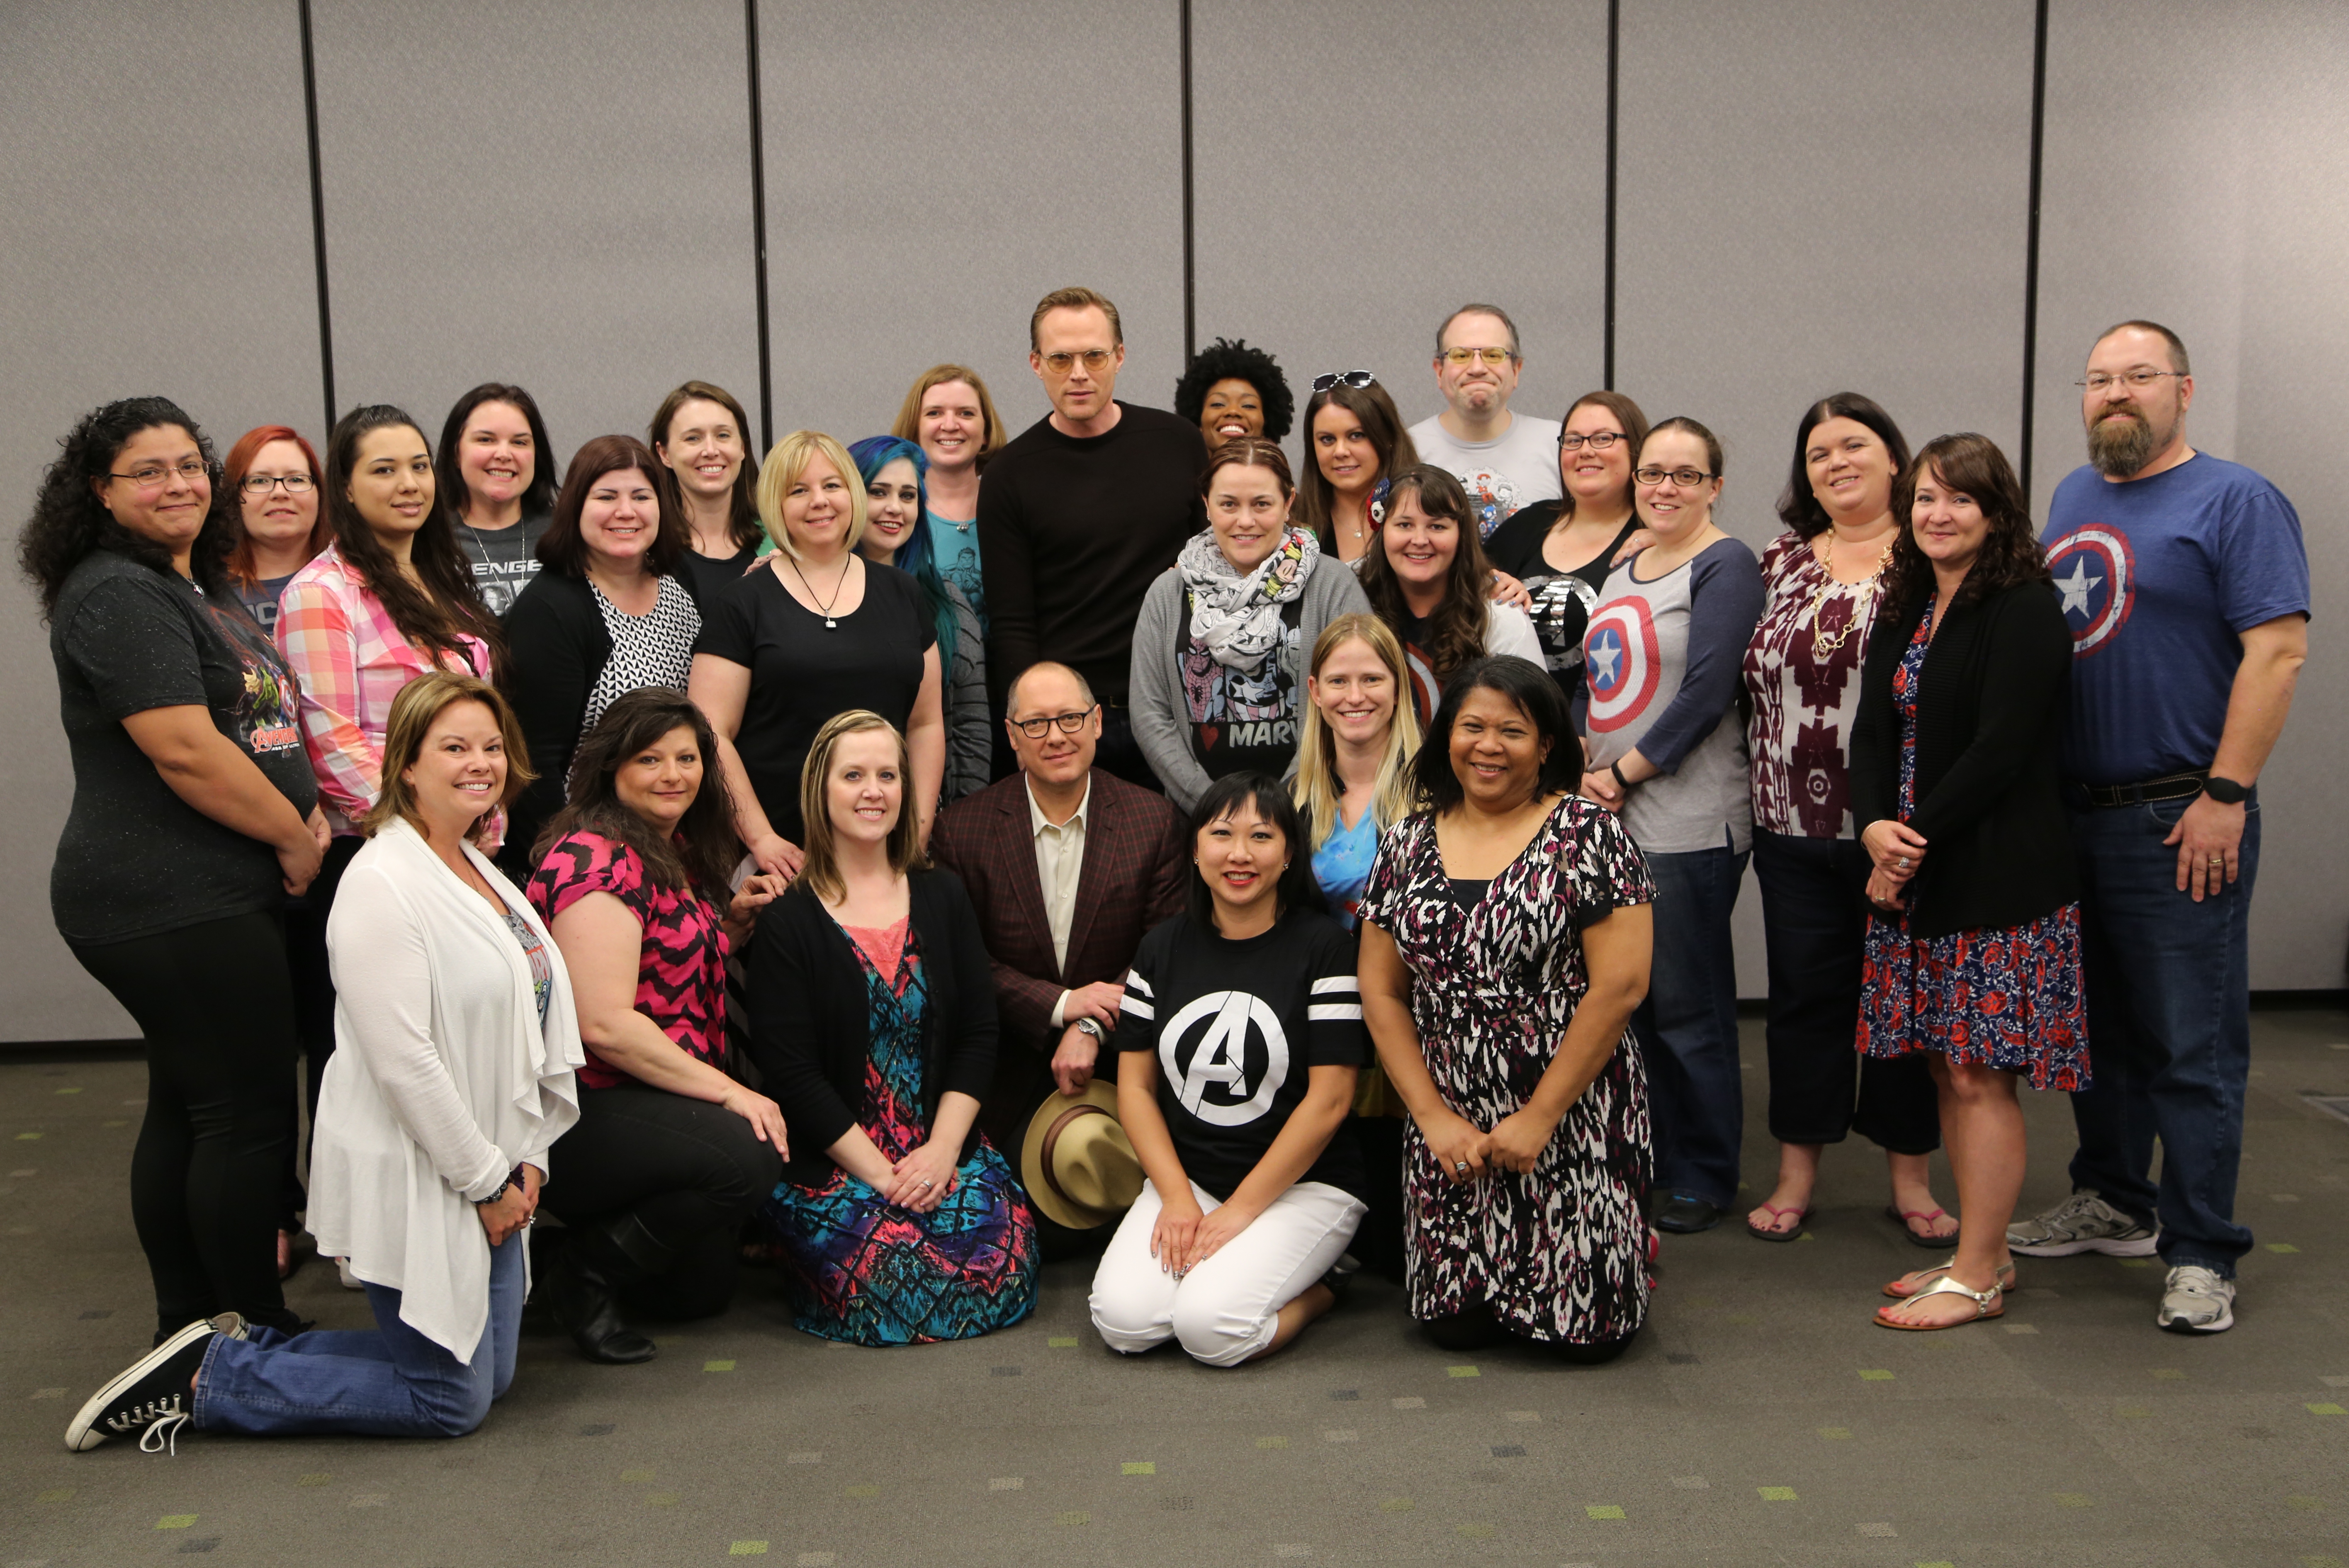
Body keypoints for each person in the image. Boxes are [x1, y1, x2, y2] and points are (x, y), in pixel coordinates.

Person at [65, 672, 581, 1451]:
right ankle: (208, 1380)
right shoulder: (381, 881)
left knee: (492, 1375)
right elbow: (403, 1060)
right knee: (451, 1403)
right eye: (454, 748)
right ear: (406, 763)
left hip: (497, 1158)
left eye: (490, 746)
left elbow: (531, 1025)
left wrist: (529, 1155)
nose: (480, 763)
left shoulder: (480, 868)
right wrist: (485, 1180)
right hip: (423, 1163)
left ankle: (228, 1351)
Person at [2013, 320, 2309, 1336]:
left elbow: (2277, 654)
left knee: (2192, 1043)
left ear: (2183, 389)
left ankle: (2200, 1250)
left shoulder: (2237, 499)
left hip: (2182, 813)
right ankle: (2113, 1197)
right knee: (2095, 1034)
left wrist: (2225, 795)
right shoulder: (2072, 497)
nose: (2115, 394)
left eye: (2138, 377)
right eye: (2099, 380)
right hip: (2075, 815)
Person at [24, 396, 326, 1349]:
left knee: (194, 1105)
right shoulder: (118, 594)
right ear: (101, 493)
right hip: (169, 897)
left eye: (188, 465)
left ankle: (192, 1322)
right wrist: (293, 835)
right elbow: (187, 750)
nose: (176, 485)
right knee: (244, 1115)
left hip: (202, 892)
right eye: (146, 472)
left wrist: (300, 797)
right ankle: (250, 1327)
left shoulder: (194, 585)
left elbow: (253, 724)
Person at [1358, 656, 1654, 1359]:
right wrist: (1430, 1118)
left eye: (1511, 730)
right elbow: (1380, 989)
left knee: (1582, 1338)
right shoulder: (1405, 840)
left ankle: (1619, 1241)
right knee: (1450, 1331)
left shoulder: (1589, 834)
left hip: (1570, 1111)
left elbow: (1620, 987)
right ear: (1445, 737)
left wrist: (1538, 1117)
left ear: (1545, 743)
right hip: (1449, 1121)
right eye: (1471, 727)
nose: (1487, 745)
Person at [1853, 434, 2085, 1330]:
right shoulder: (1910, 600)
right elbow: (1873, 728)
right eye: (1923, 500)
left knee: (1983, 1076)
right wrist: (1873, 825)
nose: (1937, 515)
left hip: (1996, 874)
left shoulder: (2023, 606)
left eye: (1958, 500)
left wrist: (1906, 845)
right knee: (1951, 1070)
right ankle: (1976, 1255)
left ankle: (1983, 1272)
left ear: (1996, 513)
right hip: (1914, 865)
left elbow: (2003, 749)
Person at [276, 404, 504, 1280]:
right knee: (377, 1054)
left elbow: (480, 725)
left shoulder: (442, 580)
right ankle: (365, 1241)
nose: (409, 484)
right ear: (347, 485)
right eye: (384, 470)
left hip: (462, 847)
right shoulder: (321, 594)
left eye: (418, 466)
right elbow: (336, 746)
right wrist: (440, 824)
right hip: (375, 857)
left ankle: (461, 1200)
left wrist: (486, 807)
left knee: (453, 1043)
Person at [747, 711, 1039, 1345]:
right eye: (853, 775)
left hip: (943, 1149)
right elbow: (793, 1078)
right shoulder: (788, 923)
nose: (872, 790)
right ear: (820, 790)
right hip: (839, 1162)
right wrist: (884, 1177)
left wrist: (939, 1154)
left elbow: (977, 1036)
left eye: (887, 774)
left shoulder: (943, 896)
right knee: (891, 1271)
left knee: (1001, 1262)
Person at [1737, 394, 1948, 1245]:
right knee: (1804, 1002)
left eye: (1853, 445)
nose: (1836, 463)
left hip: (1896, 828)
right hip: (1787, 820)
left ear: (1896, 458)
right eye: (1818, 453)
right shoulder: (1778, 560)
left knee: (1900, 1002)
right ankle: (1797, 1173)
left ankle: (1912, 1179)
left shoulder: (1931, 556)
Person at [527, 690, 786, 1362]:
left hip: (647, 1096)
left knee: (698, 1294)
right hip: (585, 1104)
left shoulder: (671, 848)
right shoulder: (595, 858)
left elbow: (655, 970)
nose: (674, 773)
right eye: (651, 759)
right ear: (612, 766)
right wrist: (730, 1091)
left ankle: (540, 1260)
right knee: (747, 1153)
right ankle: (581, 1274)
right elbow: (605, 1023)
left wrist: (726, 931)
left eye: (687, 757)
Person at [1089, 773, 1367, 1365]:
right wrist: (1176, 1198)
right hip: (1192, 1180)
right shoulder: (1160, 949)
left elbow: (1331, 1101)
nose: (1240, 853)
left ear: (1289, 852)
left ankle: (1323, 1290)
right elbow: (1135, 1089)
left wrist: (1240, 1213)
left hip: (1302, 1187)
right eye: (1222, 834)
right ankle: (1221, 1265)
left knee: (1212, 1329)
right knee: (1124, 1323)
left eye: (1261, 836)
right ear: (1195, 849)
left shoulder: (1326, 949)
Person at [1578, 418, 1764, 1235]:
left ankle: (1705, 1170)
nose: (1665, 488)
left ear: (1715, 487)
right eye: (1654, 472)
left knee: (1690, 1005)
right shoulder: (1625, 566)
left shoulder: (1727, 564)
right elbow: (1599, 680)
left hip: (1687, 817)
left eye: (1687, 476)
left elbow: (1708, 690)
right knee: (1637, 1001)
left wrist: (1622, 772)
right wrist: (1588, 763)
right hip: (1618, 815)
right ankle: (1652, 1154)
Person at [930, 661, 1188, 1233]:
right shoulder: (961, 831)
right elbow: (960, 962)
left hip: (1127, 1076)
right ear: (1011, 737)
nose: (1057, 736)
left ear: (1098, 722)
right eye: (1037, 724)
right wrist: (1058, 1004)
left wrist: (1093, 1023)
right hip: (1006, 1073)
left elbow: (1164, 950)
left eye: (1071, 718)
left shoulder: (1154, 821)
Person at [979, 286, 1209, 788]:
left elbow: (1217, 573)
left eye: (1094, 356)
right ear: (1036, 363)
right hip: (1071, 725)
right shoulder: (1009, 475)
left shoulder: (1178, 444)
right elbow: (1013, 623)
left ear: (1120, 357)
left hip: (1179, 710)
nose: (1079, 373)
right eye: (1061, 359)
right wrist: (1031, 728)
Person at [690, 430, 946, 880]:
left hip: (884, 848)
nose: (820, 501)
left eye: (832, 485)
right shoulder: (742, 602)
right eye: (799, 491)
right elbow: (712, 732)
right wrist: (761, 838)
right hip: (781, 857)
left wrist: (917, 833)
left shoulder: (904, 593)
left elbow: (926, 724)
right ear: (776, 505)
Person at [499, 435, 701, 882]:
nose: (626, 512)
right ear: (575, 507)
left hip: (674, 839)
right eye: (606, 496)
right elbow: (533, 764)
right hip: (589, 858)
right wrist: (583, 862)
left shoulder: (679, 582)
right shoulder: (552, 610)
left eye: (641, 497)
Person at [1130, 438, 1372, 810]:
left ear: (1289, 503)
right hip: (1199, 817)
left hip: (1313, 812)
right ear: (1207, 505)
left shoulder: (1332, 585)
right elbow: (1150, 715)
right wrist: (1213, 807)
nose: (1246, 521)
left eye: (1262, 504)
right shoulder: (1167, 593)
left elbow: (1354, 702)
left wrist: (1288, 806)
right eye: (1229, 504)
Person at [1292, 613, 1423, 1280]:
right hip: (1328, 1013)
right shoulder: (1296, 798)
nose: (1356, 695)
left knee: (1398, 1251)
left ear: (1397, 688)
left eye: (1372, 678)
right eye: (1339, 680)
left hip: (1418, 1012)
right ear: (1314, 691)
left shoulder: (1434, 793)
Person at [1483, 391, 1653, 708]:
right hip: (1514, 722)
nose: (1585, 450)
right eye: (1574, 440)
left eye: (1603, 438)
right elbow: (1462, 589)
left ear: (1636, 449)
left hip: (1600, 732)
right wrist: (1490, 584)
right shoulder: (1531, 523)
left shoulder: (1651, 541)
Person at [849, 435, 989, 805]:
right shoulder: (812, 597)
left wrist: (965, 817)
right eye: (878, 492)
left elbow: (971, 723)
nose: (895, 508)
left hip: (931, 812)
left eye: (908, 496)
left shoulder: (946, 600)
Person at [1356, 464, 1542, 723]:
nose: (1420, 540)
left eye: (1437, 527)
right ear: (1382, 531)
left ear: (1461, 535)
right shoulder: (1351, 597)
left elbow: (1534, 720)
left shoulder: (1500, 612)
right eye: (1405, 524)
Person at [1405, 304, 1563, 537]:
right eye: (1461, 355)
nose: (1477, 368)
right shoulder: (1406, 449)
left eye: (1493, 355)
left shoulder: (1562, 445)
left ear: (1516, 370)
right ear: (1439, 372)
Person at [892, 364, 1007, 631]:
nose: (950, 425)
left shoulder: (1013, 509)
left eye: (966, 413)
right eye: (935, 413)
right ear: (914, 428)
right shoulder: (891, 516)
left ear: (986, 433)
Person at [439, 383, 557, 618]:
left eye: (519, 442)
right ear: (455, 453)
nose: (504, 454)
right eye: (486, 440)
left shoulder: (567, 532)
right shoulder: (429, 540)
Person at [649, 380, 764, 613]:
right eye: (693, 438)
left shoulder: (780, 541)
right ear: (664, 454)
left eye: (723, 435)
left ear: (742, 447)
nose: (711, 451)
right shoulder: (648, 549)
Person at [1295, 372, 1418, 567]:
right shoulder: (1293, 524)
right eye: (1327, 439)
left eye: (1356, 436)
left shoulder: (1429, 512)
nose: (1341, 451)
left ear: (1388, 439)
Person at [219, 425, 330, 636]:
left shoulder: (354, 580)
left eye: (296, 479)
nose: (280, 493)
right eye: (260, 481)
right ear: (233, 495)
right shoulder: (206, 590)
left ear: (320, 493)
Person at [1172, 337, 1296, 450]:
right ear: (1198, 423)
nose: (1233, 411)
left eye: (1248, 406)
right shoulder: (1174, 475)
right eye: (1218, 404)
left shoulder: (1280, 475)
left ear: (1266, 425)